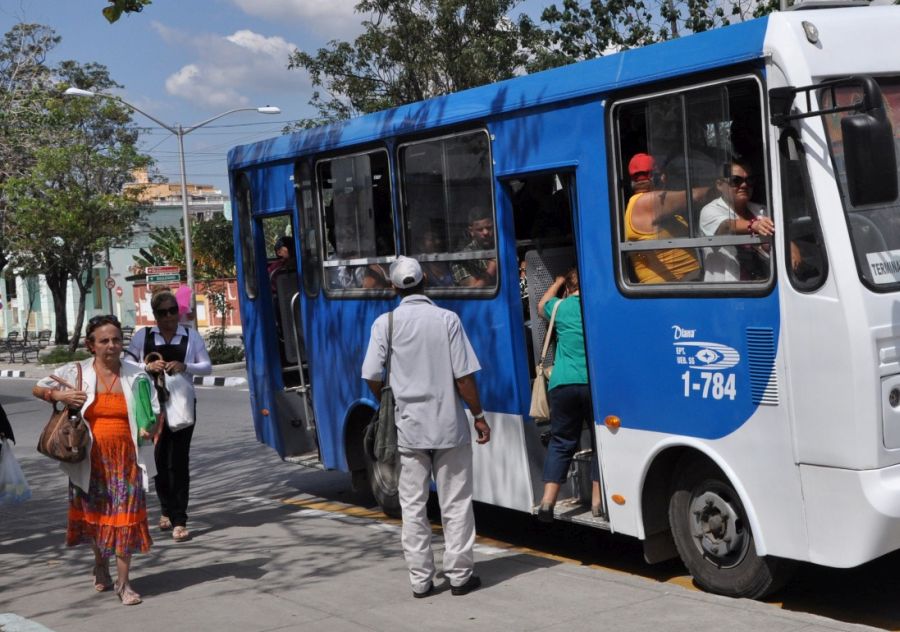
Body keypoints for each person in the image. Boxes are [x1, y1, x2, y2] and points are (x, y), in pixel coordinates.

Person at [361, 256, 491, 598]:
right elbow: (464, 378)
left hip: (408, 429)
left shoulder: (384, 324)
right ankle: (460, 576)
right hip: (449, 426)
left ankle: (421, 580)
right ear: (425, 283)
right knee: (456, 502)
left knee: (413, 506)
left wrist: (391, 397)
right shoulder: (447, 320)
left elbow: (372, 375)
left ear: (393, 287)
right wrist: (477, 415)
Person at [32, 315, 159, 606]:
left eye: (116, 339)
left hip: (127, 461)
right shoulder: (77, 371)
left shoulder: (137, 375)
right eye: (104, 341)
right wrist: (60, 394)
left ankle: (124, 583)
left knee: (124, 522)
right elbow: (38, 388)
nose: (112, 346)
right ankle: (100, 564)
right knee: (98, 519)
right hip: (89, 459)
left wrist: (148, 427)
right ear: (91, 345)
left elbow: (152, 411)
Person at [128, 290, 212, 543]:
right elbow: (128, 362)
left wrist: (185, 366)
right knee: (158, 459)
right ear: (155, 315)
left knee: (178, 460)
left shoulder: (190, 335)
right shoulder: (143, 336)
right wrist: (147, 366)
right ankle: (165, 509)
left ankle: (179, 519)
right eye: (163, 312)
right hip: (151, 407)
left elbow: (207, 366)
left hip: (182, 405)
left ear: (179, 311)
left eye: (173, 310)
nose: (169, 317)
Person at [534, 269, 600, 521]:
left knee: (561, 442)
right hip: (592, 384)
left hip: (562, 383)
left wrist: (558, 281)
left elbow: (540, 305)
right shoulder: (594, 306)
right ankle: (597, 501)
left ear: (568, 288)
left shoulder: (559, 307)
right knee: (598, 443)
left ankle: (547, 503)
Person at [624, 153, 708, 283]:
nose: (664, 178)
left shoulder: (650, 205)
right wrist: (719, 187)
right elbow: (695, 196)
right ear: (655, 177)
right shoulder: (645, 202)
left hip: (685, 283)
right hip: (672, 288)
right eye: (660, 174)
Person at [699, 160, 776, 282]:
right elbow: (726, 226)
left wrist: (791, 249)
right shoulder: (709, 211)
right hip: (730, 290)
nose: (744, 185)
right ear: (719, 185)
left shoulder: (761, 210)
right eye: (736, 180)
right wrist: (753, 225)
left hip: (764, 283)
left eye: (749, 180)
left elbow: (775, 234)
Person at [451, 207, 497, 287]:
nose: (485, 232)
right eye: (480, 229)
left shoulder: (501, 247)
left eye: (489, 228)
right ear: (471, 231)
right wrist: (492, 267)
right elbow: (473, 291)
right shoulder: (462, 258)